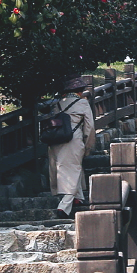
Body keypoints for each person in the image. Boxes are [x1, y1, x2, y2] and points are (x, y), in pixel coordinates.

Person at [47, 74, 95, 218]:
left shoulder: (57, 103)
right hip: (73, 139)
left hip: (56, 139)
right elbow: (90, 127)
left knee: (69, 168)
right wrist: (88, 146)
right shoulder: (82, 103)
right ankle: (64, 206)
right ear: (79, 90)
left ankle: (78, 198)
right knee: (73, 169)